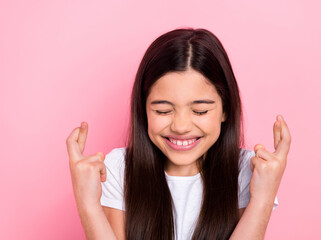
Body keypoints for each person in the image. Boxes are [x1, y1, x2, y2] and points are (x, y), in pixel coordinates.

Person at [66, 28, 291, 240]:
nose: (181, 126)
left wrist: (263, 198)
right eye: (163, 110)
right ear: (143, 110)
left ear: (225, 110)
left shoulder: (246, 172)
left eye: (200, 110)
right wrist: (88, 204)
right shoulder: (118, 169)